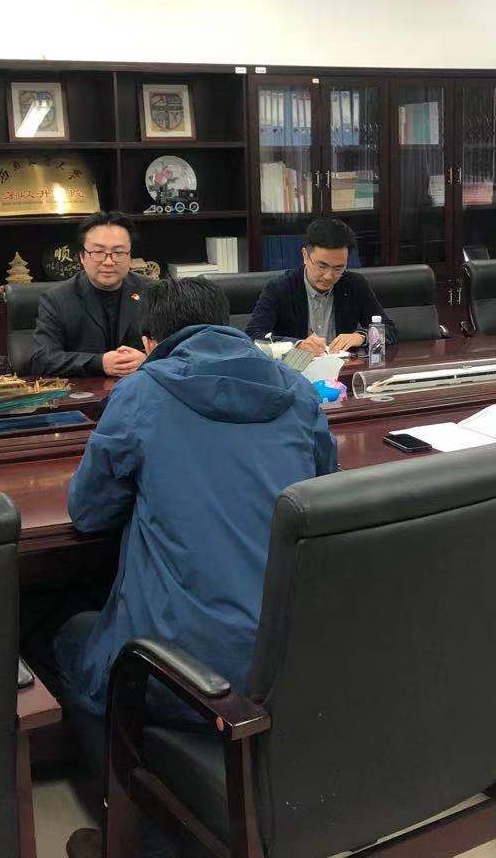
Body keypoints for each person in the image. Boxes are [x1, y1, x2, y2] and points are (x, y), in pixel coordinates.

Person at [54, 278, 337, 858]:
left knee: (69, 640)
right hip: (291, 661)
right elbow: (324, 494)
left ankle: (137, 834)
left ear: (151, 341)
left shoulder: (142, 392)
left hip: (187, 671)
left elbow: (88, 511)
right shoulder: (296, 389)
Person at [244, 218, 396, 356]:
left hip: (344, 369)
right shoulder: (279, 288)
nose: (329, 276)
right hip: (295, 372)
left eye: (338, 268)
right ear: (305, 256)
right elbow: (253, 337)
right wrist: (297, 345)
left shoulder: (354, 284)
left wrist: (361, 337)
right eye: (322, 266)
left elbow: (389, 329)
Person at [30, 212, 155, 377]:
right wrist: (99, 363)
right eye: (98, 252)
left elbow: (178, 348)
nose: (108, 262)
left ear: (130, 256)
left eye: (118, 252)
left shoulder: (152, 292)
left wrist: (148, 359)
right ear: (82, 257)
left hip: (140, 386)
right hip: (86, 390)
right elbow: (43, 359)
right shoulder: (57, 299)